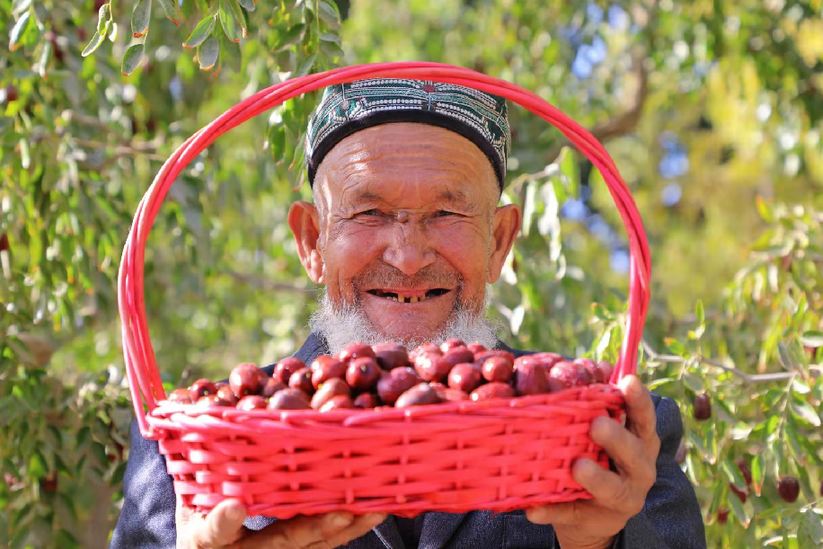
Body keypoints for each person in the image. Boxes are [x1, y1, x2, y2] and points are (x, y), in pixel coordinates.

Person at [111, 79, 706, 548]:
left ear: (499, 242)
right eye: (368, 214)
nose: (409, 256)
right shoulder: (190, 452)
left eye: (447, 215)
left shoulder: (612, 438)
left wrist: (598, 542)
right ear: (311, 241)